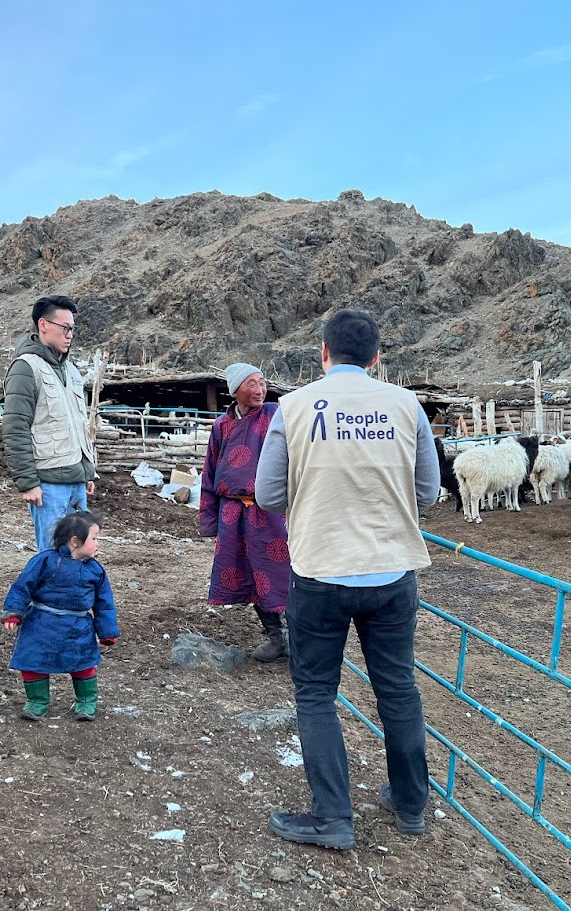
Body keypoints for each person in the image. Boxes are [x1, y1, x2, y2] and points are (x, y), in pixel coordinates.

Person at [255, 308, 440, 849]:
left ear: (323, 352)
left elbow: (268, 495)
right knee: (398, 688)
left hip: (320, 570)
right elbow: (427, 493)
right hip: (392, 571)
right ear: (377, 357)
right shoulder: (407, 406)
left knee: (315, 693)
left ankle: (333, 816)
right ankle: (410, 805)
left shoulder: (291, 407)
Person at [198, 363, 291, 661]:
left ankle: (299, 638)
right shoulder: (221, 426)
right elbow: (209, 474)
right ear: (235, 390)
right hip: (232, 514)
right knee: (250, 573)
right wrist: (209, 519)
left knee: (280, 570)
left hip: (271, 509)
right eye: (251, 383)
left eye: (261, 382)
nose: (259, 389)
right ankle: (276, 638)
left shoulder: (277, 416)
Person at [1, 511, 119, 721]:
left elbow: (104, 603)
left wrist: (107, 631)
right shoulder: (45, 561)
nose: (97, 544)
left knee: (82, 663)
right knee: (33, 660)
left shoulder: (95, 570)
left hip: (78, 627)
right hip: (41, 624)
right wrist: (13, 612)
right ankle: (37, 701)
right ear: (75, 541)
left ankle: (86, 702)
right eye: (94, 538)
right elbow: (22, 586)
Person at [3, 294, 97, 550]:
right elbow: (15, 427)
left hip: (75, 480)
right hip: (48, 484)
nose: (70, 335)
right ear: (43, 325)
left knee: (80, 551)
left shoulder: (71, 370)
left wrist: (87, 471)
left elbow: (78, 424)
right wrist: (28, 482)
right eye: (65, 328)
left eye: (72, 329)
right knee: (54, 552)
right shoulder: (25, 368)